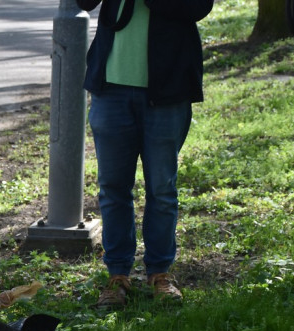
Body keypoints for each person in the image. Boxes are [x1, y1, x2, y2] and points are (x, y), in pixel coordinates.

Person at [78, 0, 213, 307]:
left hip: (168, 87)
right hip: (110, 87)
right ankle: (117, 275)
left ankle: (160, 273)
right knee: (112, 189)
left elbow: (199, 7)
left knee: (162, 188)